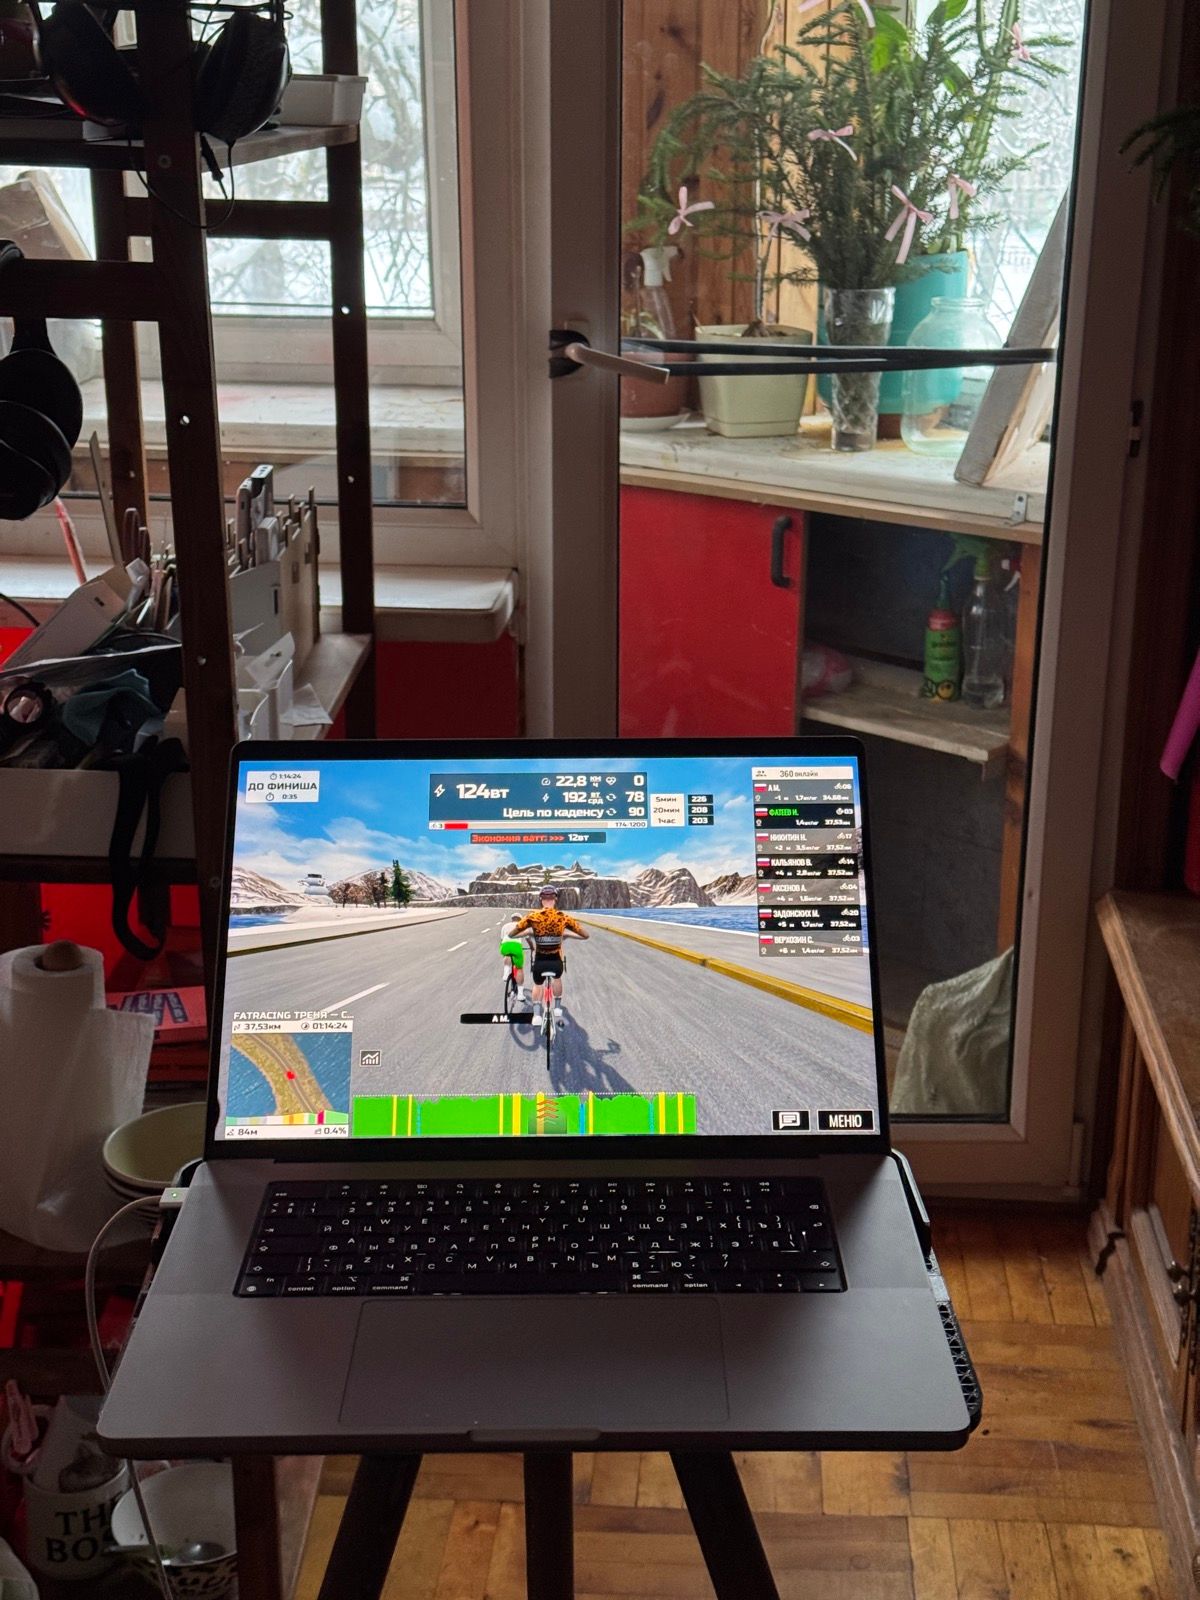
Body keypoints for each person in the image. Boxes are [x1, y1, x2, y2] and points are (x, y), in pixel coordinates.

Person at [510, 885, 589, 1026]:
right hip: (555, 962)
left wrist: (530, 932)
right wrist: (565, 934)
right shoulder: (563, 917)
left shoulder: (532, 916)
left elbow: (512, 934)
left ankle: (536, 1016)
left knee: (537, 984)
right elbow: (585, 935)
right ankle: (557, 1008)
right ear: (555, 899)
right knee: (557, 978)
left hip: (540, 962)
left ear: (541, 899)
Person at [498, 913, 532, 1008]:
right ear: (520, 920)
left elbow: (501, 940)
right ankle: (520, 994)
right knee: (519, 968)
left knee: (507, 955)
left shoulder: (505, 926)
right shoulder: (521, 926)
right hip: (516, 947)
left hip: (505, 946)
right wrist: (532, 947)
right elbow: (528, 940)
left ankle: (506, 973)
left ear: (512, 919)